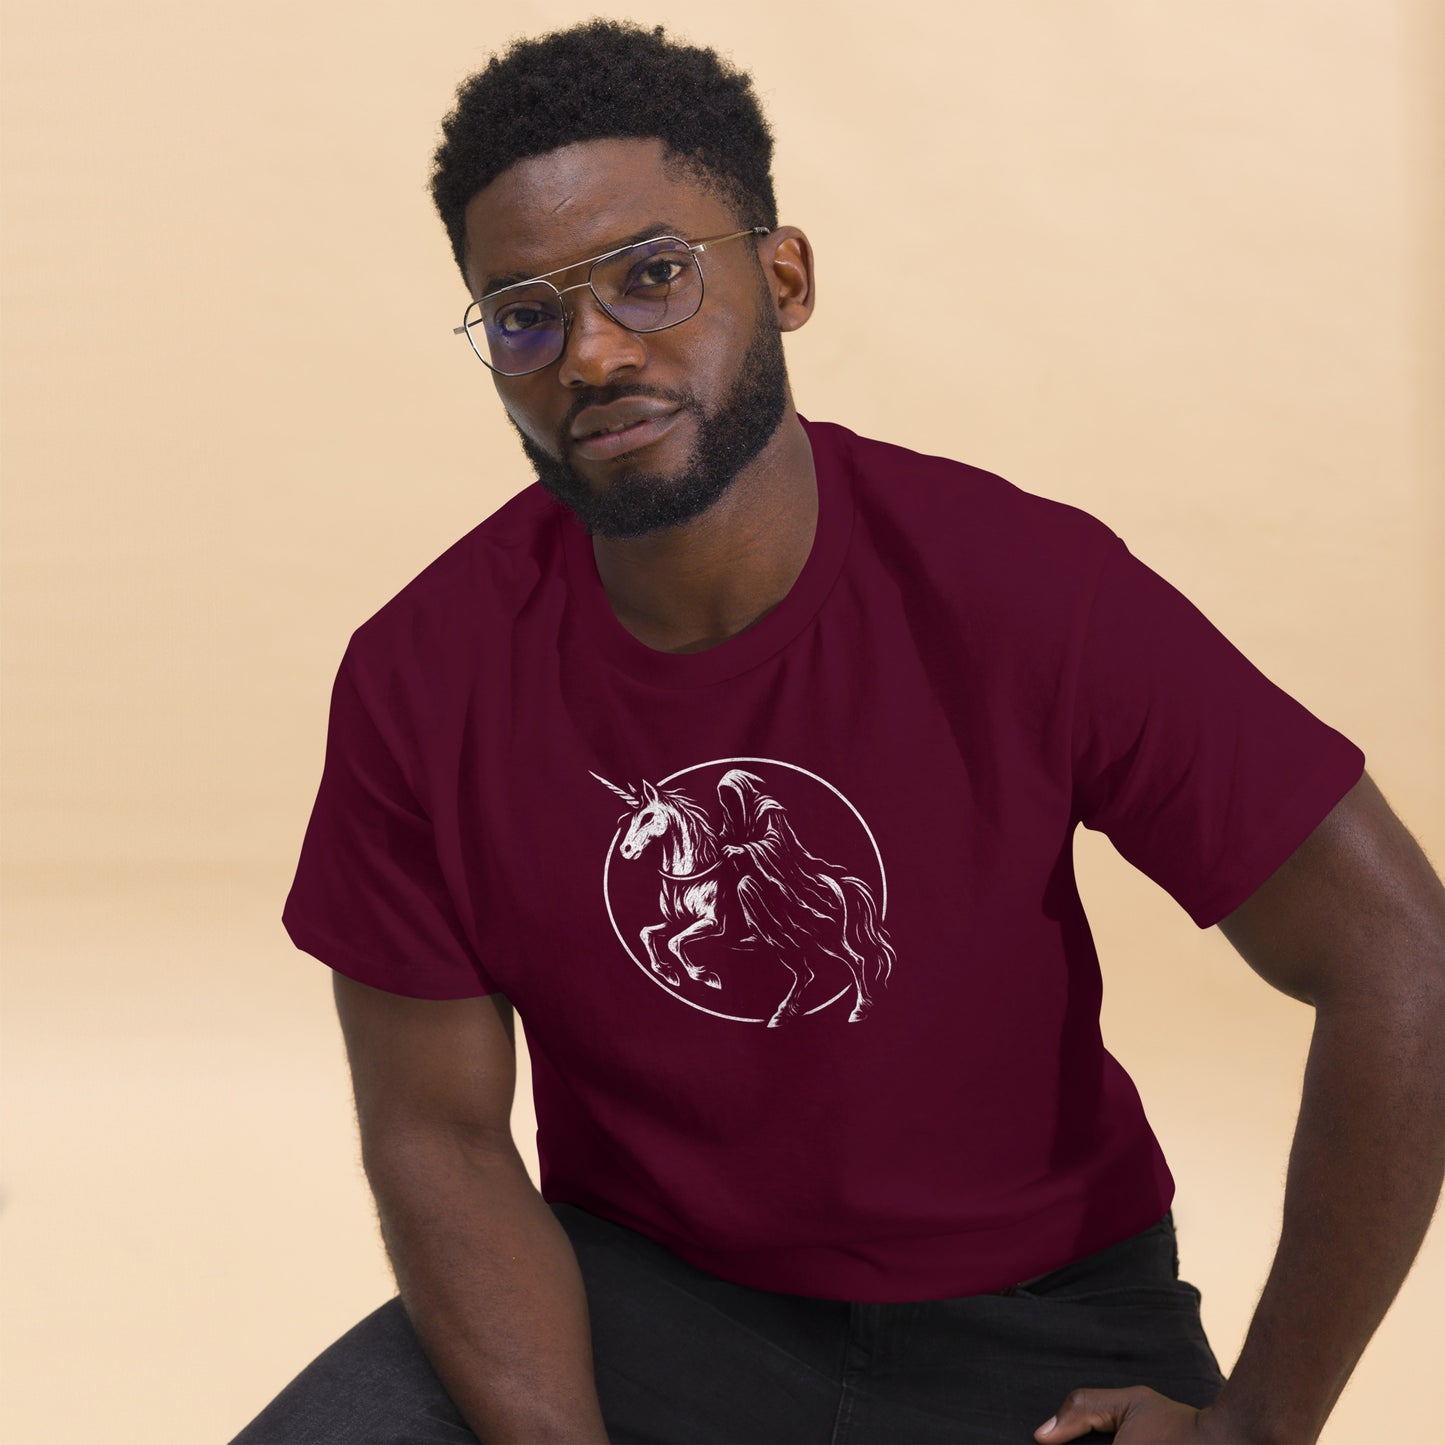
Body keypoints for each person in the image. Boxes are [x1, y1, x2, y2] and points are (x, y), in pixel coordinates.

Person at [231, 20, 1445, 1445]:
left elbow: (1398, 958)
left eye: (652, 275)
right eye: (523, 316)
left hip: (1035, 1324)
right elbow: (434, 1129)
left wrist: (1259, 1423)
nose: (594, 352)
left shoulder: (1018, 586)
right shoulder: (418, 675)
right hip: (641, 1301)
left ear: (783, 276)